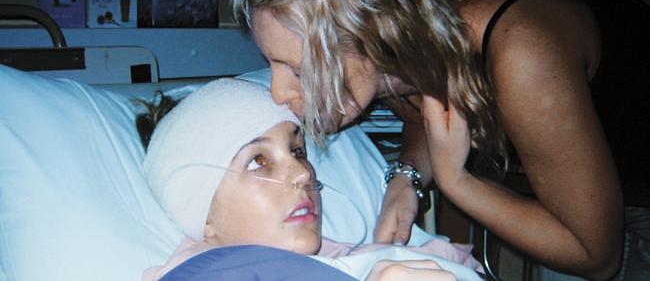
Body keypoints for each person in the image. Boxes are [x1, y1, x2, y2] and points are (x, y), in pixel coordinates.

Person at [231, 0, 650, 279]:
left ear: (380, 38)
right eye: (273, 64)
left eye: (302, 72)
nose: (279, 93)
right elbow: (422, 110)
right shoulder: (405, 53)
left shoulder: (523, 49)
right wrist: (407, 176)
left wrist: (456, 182)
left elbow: (596, 254)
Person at [138, 78, 483, 281]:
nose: (303, 173)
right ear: (205, 216)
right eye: (258, 161)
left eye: (298, 150)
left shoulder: (352, 256)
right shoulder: (211, 274)